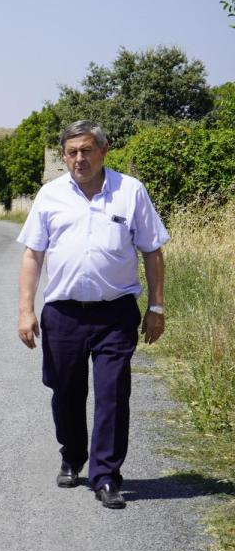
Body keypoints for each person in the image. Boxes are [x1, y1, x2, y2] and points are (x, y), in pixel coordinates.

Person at [17, 120, 169, 509]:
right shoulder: (50, 196)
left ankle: (106, 476)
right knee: (65, 390)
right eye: (72, 152)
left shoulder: (130, 191)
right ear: (64, 156)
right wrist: (25, 310)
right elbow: (33, 255)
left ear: (103, 150)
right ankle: (72, 454)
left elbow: (152, 250)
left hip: (115, 313)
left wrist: (156, 306)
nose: (79, 159)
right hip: (63, 314)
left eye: (86, 150)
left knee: (113, 394)